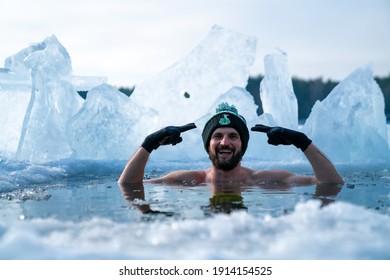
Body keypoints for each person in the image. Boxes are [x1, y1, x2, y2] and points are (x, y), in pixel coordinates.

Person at [118, 102, 344, 186]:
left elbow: (331, 183)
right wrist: (148, 145)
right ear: (208, 144)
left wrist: (302, 142)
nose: (224, 142)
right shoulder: (189, 180)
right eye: (217, 136)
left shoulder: (264, 180)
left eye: (233, 136)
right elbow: (128, 185)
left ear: (242, 145)